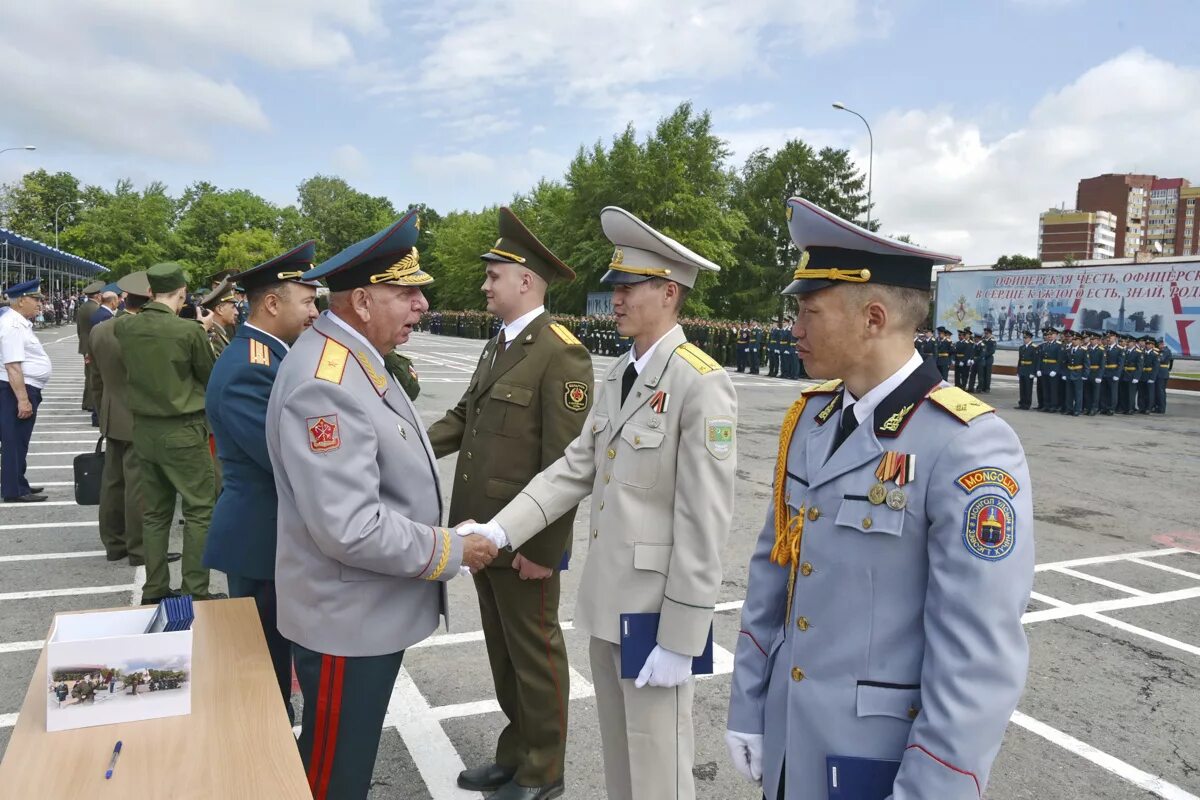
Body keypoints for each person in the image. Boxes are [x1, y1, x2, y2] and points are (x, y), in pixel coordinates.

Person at [725, 197, 1033, 800]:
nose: (794, 329)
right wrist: (749, 700)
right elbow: (774, 573)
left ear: (872, 318)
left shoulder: (968, 445)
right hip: (791, 742)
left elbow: (976, 659)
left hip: (880, 765)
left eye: (809, 311)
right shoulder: (812, 420)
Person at [461, 206, 737, 800]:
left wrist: (683, 636)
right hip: (612, 602)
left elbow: (705, 520)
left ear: (668, 292)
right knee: (620, 754)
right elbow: (571, 470)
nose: (614, 296)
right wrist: (500, 531)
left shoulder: (699, 381)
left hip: (657, 616)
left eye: (628, 285)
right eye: (614, 285)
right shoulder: (620, 374)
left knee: (659, 761)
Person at [267, 212, 498, 800]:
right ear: (364, 301)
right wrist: (452, 549)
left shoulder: (355, 354)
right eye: (408, 291)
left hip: (362, 612)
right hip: (348, 619)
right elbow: (351, 527)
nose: (422, 304)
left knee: (343, 760)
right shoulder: (328, 379)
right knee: (333, 777)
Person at [427, 207, 593, 800]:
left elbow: (567, 464)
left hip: (523, 538)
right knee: (502, 652)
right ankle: (515, 753)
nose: (484, 284)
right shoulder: (499, 345)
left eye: (493, 275)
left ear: (525, 281)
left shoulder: (560, 353)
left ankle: (544, 771)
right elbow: (465, 419)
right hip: (480, 532)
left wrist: (545, 547)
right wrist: (408, 446)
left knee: (535, 654)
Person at [202, 241, 321, 726]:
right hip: (261, 538)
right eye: (308, 300)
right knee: (265, 667)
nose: (316, 310)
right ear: (272, 303)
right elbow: (285, 458)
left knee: (273, 658)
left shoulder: (271, 356)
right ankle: (265, 761)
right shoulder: (251, 369)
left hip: (271, 534)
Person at [114, 263, 221, 605]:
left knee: (156, 514)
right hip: (183, 429)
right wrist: (202, 331)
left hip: (144, 428)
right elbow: (209, 376)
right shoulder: (187, 332)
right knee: (199, 510)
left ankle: (155, 587)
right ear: (182, 293)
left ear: (150, 292)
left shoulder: (125, 327)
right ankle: (195, 591)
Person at [90, 271, 155, 564]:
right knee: (138, 486)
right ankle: (140, 549)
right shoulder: (147, 331)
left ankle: (114, 544)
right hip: (139, 415)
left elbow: (95, 379)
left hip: (110, 411)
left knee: (113, 482)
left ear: (126, 297)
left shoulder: (101, 330)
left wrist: (102, 409)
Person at [0, 280, 51, 503]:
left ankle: (18, 482)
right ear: (21, 301)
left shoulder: (18, 322)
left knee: (19, 439)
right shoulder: (12, 326)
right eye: (36, 299)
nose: (39, 304)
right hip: (16, 390)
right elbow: (13, 366)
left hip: (22, 388)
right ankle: (14, 489)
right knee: (14, 439)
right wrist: (22, 399)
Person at [77, 280, 104, 424]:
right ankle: (90, 403)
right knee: (93, 376)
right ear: (98, 295)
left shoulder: (83, 307)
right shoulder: (95, 309)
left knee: (89, 374)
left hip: (85, 344)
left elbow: (79, 329)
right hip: (91, 345)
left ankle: (87, 402)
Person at [199, 278, 239, 357]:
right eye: (233, 307)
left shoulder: (218, 333)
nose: (236, 312)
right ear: (220, 309)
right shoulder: (213, 338)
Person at [1015, 330, 1038, 410]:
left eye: (1026, 338)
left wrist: (1033, 372)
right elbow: (1020, 360)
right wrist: (1018, 370)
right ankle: (1022, 403)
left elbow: (1035, 361)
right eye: (1023, 338)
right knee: (1022, 387)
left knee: (1028, 388)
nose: (1024, 339)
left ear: (1030, 338)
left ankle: (1027, 404)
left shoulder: (1034, 348)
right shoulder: (1021, 348)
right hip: (1022, 369)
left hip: (1029, 370)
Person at [1154, 337, 1172, 414]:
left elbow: (1160, 359)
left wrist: (1154, 354)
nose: (1157, 346)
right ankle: (1158, 407)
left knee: (1160, 391)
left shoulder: (1165, 351)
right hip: (1161, 372)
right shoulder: (1162, 350)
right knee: (1159, 391)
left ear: (1161, 344)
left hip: (1162, 373)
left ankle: (1161, 408)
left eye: (1158, 345)